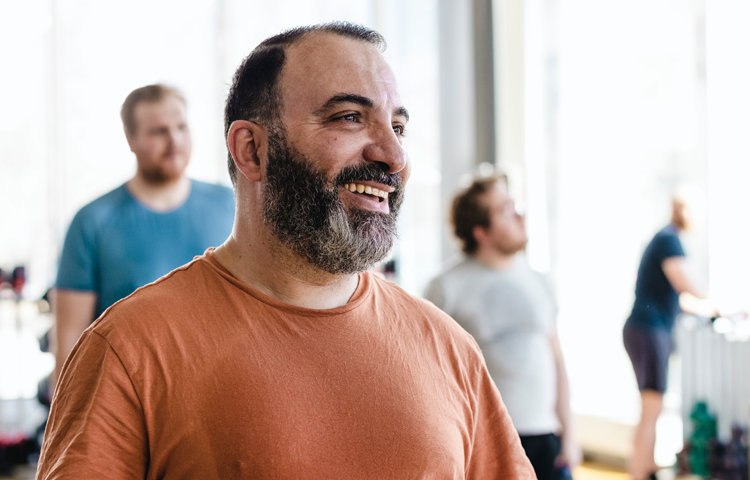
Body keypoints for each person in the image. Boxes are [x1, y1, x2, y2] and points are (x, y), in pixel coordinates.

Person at [37, 22, 535, 479]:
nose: (394, 155)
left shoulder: (449, 349)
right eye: (349, 117)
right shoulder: (129, 349)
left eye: (398, 127)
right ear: (251, 150)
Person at [50, 84, 235, 397]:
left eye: (181, 127)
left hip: (223, 391)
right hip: (130, 398)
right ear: (131, 140)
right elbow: (69, 344)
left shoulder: (233, 206)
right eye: (158, 131)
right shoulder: (92, 222)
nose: (174, 141)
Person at [424, 174, 581, 480]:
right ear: (481, 232)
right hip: (485, 442)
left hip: (546, 438)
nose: (519, 215)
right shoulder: (445, 289)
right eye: (506, 210)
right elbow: (432, 379)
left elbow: (557, 360)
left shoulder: (540, 281)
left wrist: (570, 435)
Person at [623, 189, 719, 480]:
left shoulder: (666, 238)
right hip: (647, 330)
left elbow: (681, 298)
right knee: (652, 407)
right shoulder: (668, 240)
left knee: (649, 407)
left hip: (645, 328)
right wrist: (718, 303)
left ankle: (642, 468)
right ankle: (641, 471)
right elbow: (690, 286)